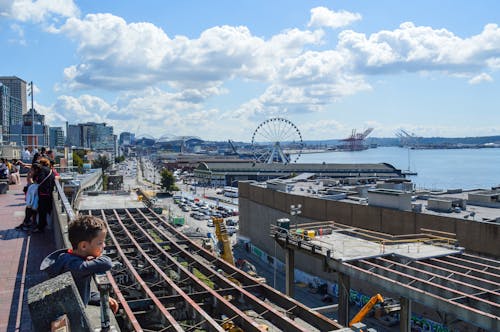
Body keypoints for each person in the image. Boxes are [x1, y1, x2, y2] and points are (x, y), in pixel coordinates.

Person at [40, 215, 119, 313]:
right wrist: (97, 258)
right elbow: (107, 263)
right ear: (84, 246)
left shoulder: (67, 258)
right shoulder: (76, 267)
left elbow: (79, 292)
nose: (104, 245)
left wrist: (102, 298)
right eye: (100, 243)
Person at [15, 162, 41, 231]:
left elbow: (31, 182)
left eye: (32, 169)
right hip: (33, 194)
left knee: (30, 208)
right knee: (29, 209)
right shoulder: (36, 174)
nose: (31, 171)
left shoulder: (38, 176)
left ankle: (27, 223)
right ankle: (27, 222)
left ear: (35, 170)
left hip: (35, 195)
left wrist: (30, 178)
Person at [32, 158, 55, 233]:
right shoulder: (50, 170)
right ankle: (43, 225)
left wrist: (35, 176)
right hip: (49, 193)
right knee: (45, 210)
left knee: (42, 211)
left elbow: (40, 180)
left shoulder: (42, 170)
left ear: (41, 163)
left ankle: (41, 227)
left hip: (43, 193)